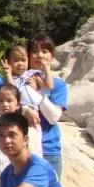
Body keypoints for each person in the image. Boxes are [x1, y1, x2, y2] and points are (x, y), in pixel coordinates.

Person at [26, 34, 68, 178]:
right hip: (23, 148)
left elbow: (53, 117)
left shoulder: (58, 85)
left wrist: (37, 91)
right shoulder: (18, 81)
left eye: (45, 51)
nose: (40, 55)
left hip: (49, 149)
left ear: (52, 55)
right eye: (35, 51)